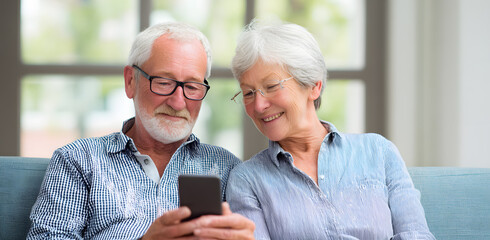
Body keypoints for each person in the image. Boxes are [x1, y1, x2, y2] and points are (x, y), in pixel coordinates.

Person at [27, 22, 254, 239]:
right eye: (164, 82)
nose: (178, 102)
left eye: (192, 87)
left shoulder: (228, 168)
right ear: (130, 82)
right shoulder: (78, 160)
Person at [226, 20, 435, 240]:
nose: (258, 105)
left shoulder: (378, 152)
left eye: (271, 87)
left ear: (314, 86)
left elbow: (416, 235)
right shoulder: (247, 180)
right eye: (248, 93)